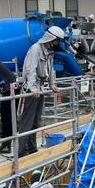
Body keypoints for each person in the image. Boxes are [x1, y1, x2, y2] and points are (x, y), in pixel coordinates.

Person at [19, 25, 64, 156]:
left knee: (35, 121)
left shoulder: (49, 52)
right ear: (51, 38)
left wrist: (52, 84)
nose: (57, 43)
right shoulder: (35, 49)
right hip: (31, 90)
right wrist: (32, 88)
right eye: (56, 40)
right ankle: (21, 151)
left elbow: (51, 70)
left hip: (40, 89)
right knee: (27, 121)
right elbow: (30, 69)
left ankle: (32, 148)